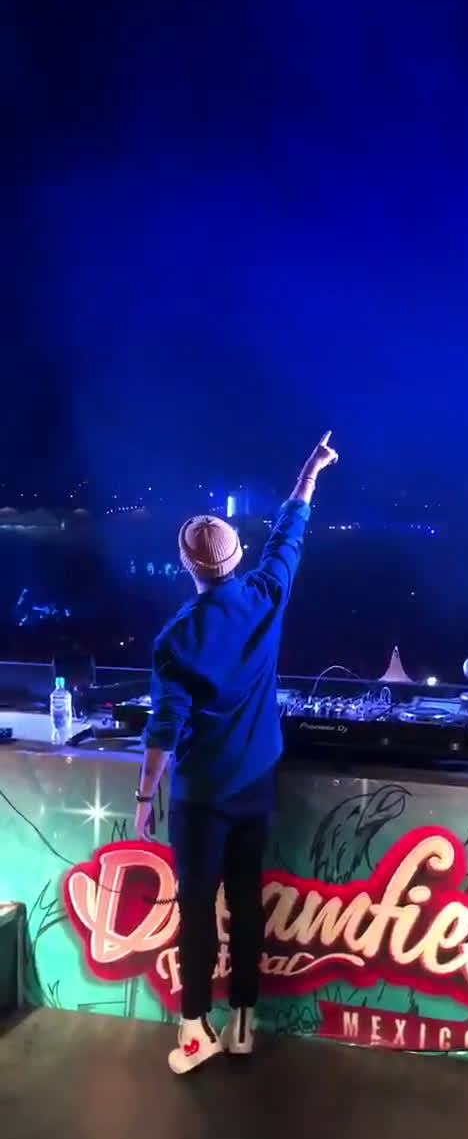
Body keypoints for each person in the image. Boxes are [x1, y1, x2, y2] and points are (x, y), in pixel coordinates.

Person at [134, 432, 338, 1074]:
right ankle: (244, 1021)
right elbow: (289, 537)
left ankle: (195, 1030)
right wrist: (308, 475)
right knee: (247, 902)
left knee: (197, 909)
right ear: (238, 556)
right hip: (255, 785)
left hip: (201, 796)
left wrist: (144, 796)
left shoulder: (175, 638)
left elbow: (164, 729)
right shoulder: (264, 596)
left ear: (185, 564)